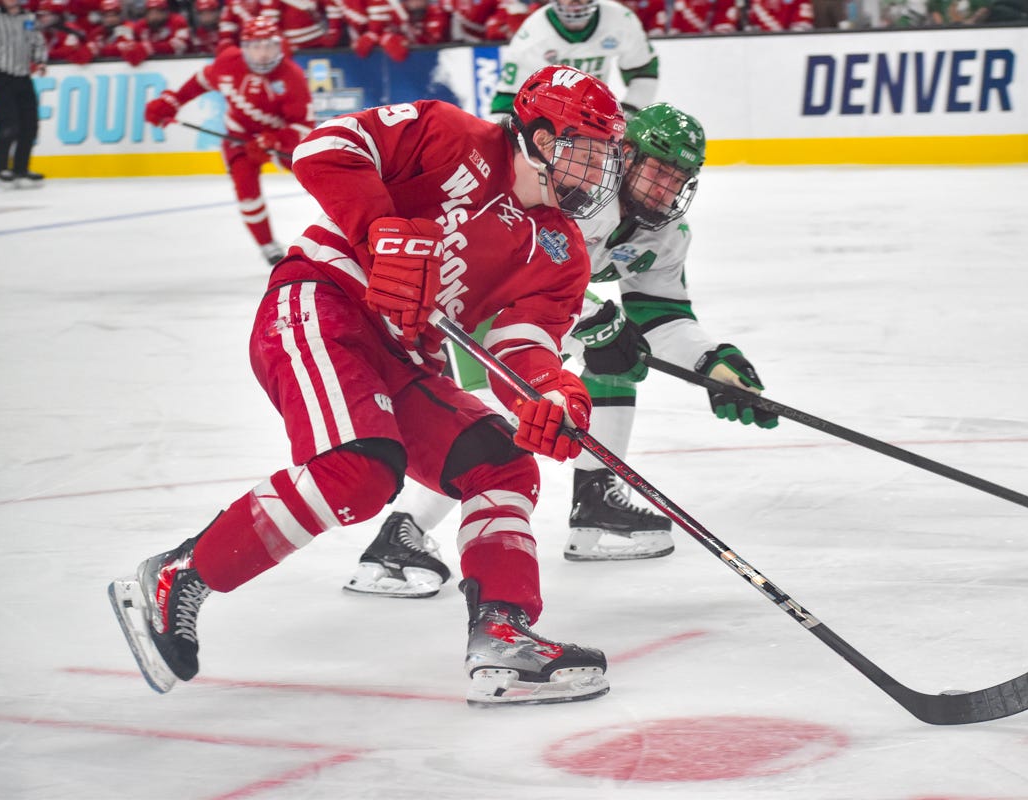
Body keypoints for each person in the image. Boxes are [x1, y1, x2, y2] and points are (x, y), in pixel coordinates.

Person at [109, 65, 629, 706]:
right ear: (539, 135)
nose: (597, 169)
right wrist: (379, 230)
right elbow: (324, 148)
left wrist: (548, 392)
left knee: (502, 464)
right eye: (586, 147)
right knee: (360, 471)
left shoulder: (561, 249)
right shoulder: (451, 134)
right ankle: (179, 575)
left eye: (605, 153)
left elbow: (522, 345)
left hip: (406, 358)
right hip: (321, 303)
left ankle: (502, 634)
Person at [346, 103, 777, 596]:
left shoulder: (666, 233)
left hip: (544, 308)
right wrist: (597, 322)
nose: (665, 189)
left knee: (616, 362)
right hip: (478, 298)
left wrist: (712, 364)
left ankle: (595, 501)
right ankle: (399, 536)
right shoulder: (579, 189)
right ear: (628, 156)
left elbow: (660, 315)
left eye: (678, 180)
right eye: (658, 171)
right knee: (499, 418)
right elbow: (521, 255)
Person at [143, 16, 313, 265]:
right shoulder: (229, 63)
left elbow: (303, 127)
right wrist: (173, 102)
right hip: (239, 137)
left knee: (315, 179)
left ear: (279, 45)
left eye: (269, 46)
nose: (263, 54)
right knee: (246, 190)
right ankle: (268, 246)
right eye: (256, 46)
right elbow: (201, 80)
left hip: (280, 139)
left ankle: (346, 227)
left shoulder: (292, 77)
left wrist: (274, 140)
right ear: (245, 48)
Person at [489, 0, 658, 118]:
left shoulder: (620, 20)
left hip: (598, 114)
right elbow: (506, 98)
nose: (575, 1)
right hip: (550, 118)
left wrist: (629, 112)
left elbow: (643, 70)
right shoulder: (533, 34)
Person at [0, 0, 48, 188]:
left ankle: (21, 168)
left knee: (30, 124)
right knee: (9, 124)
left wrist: (39, 61)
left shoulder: (28, 17)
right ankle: (2, 169)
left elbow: (37, 41)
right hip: (0, 75)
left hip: (23, 76)